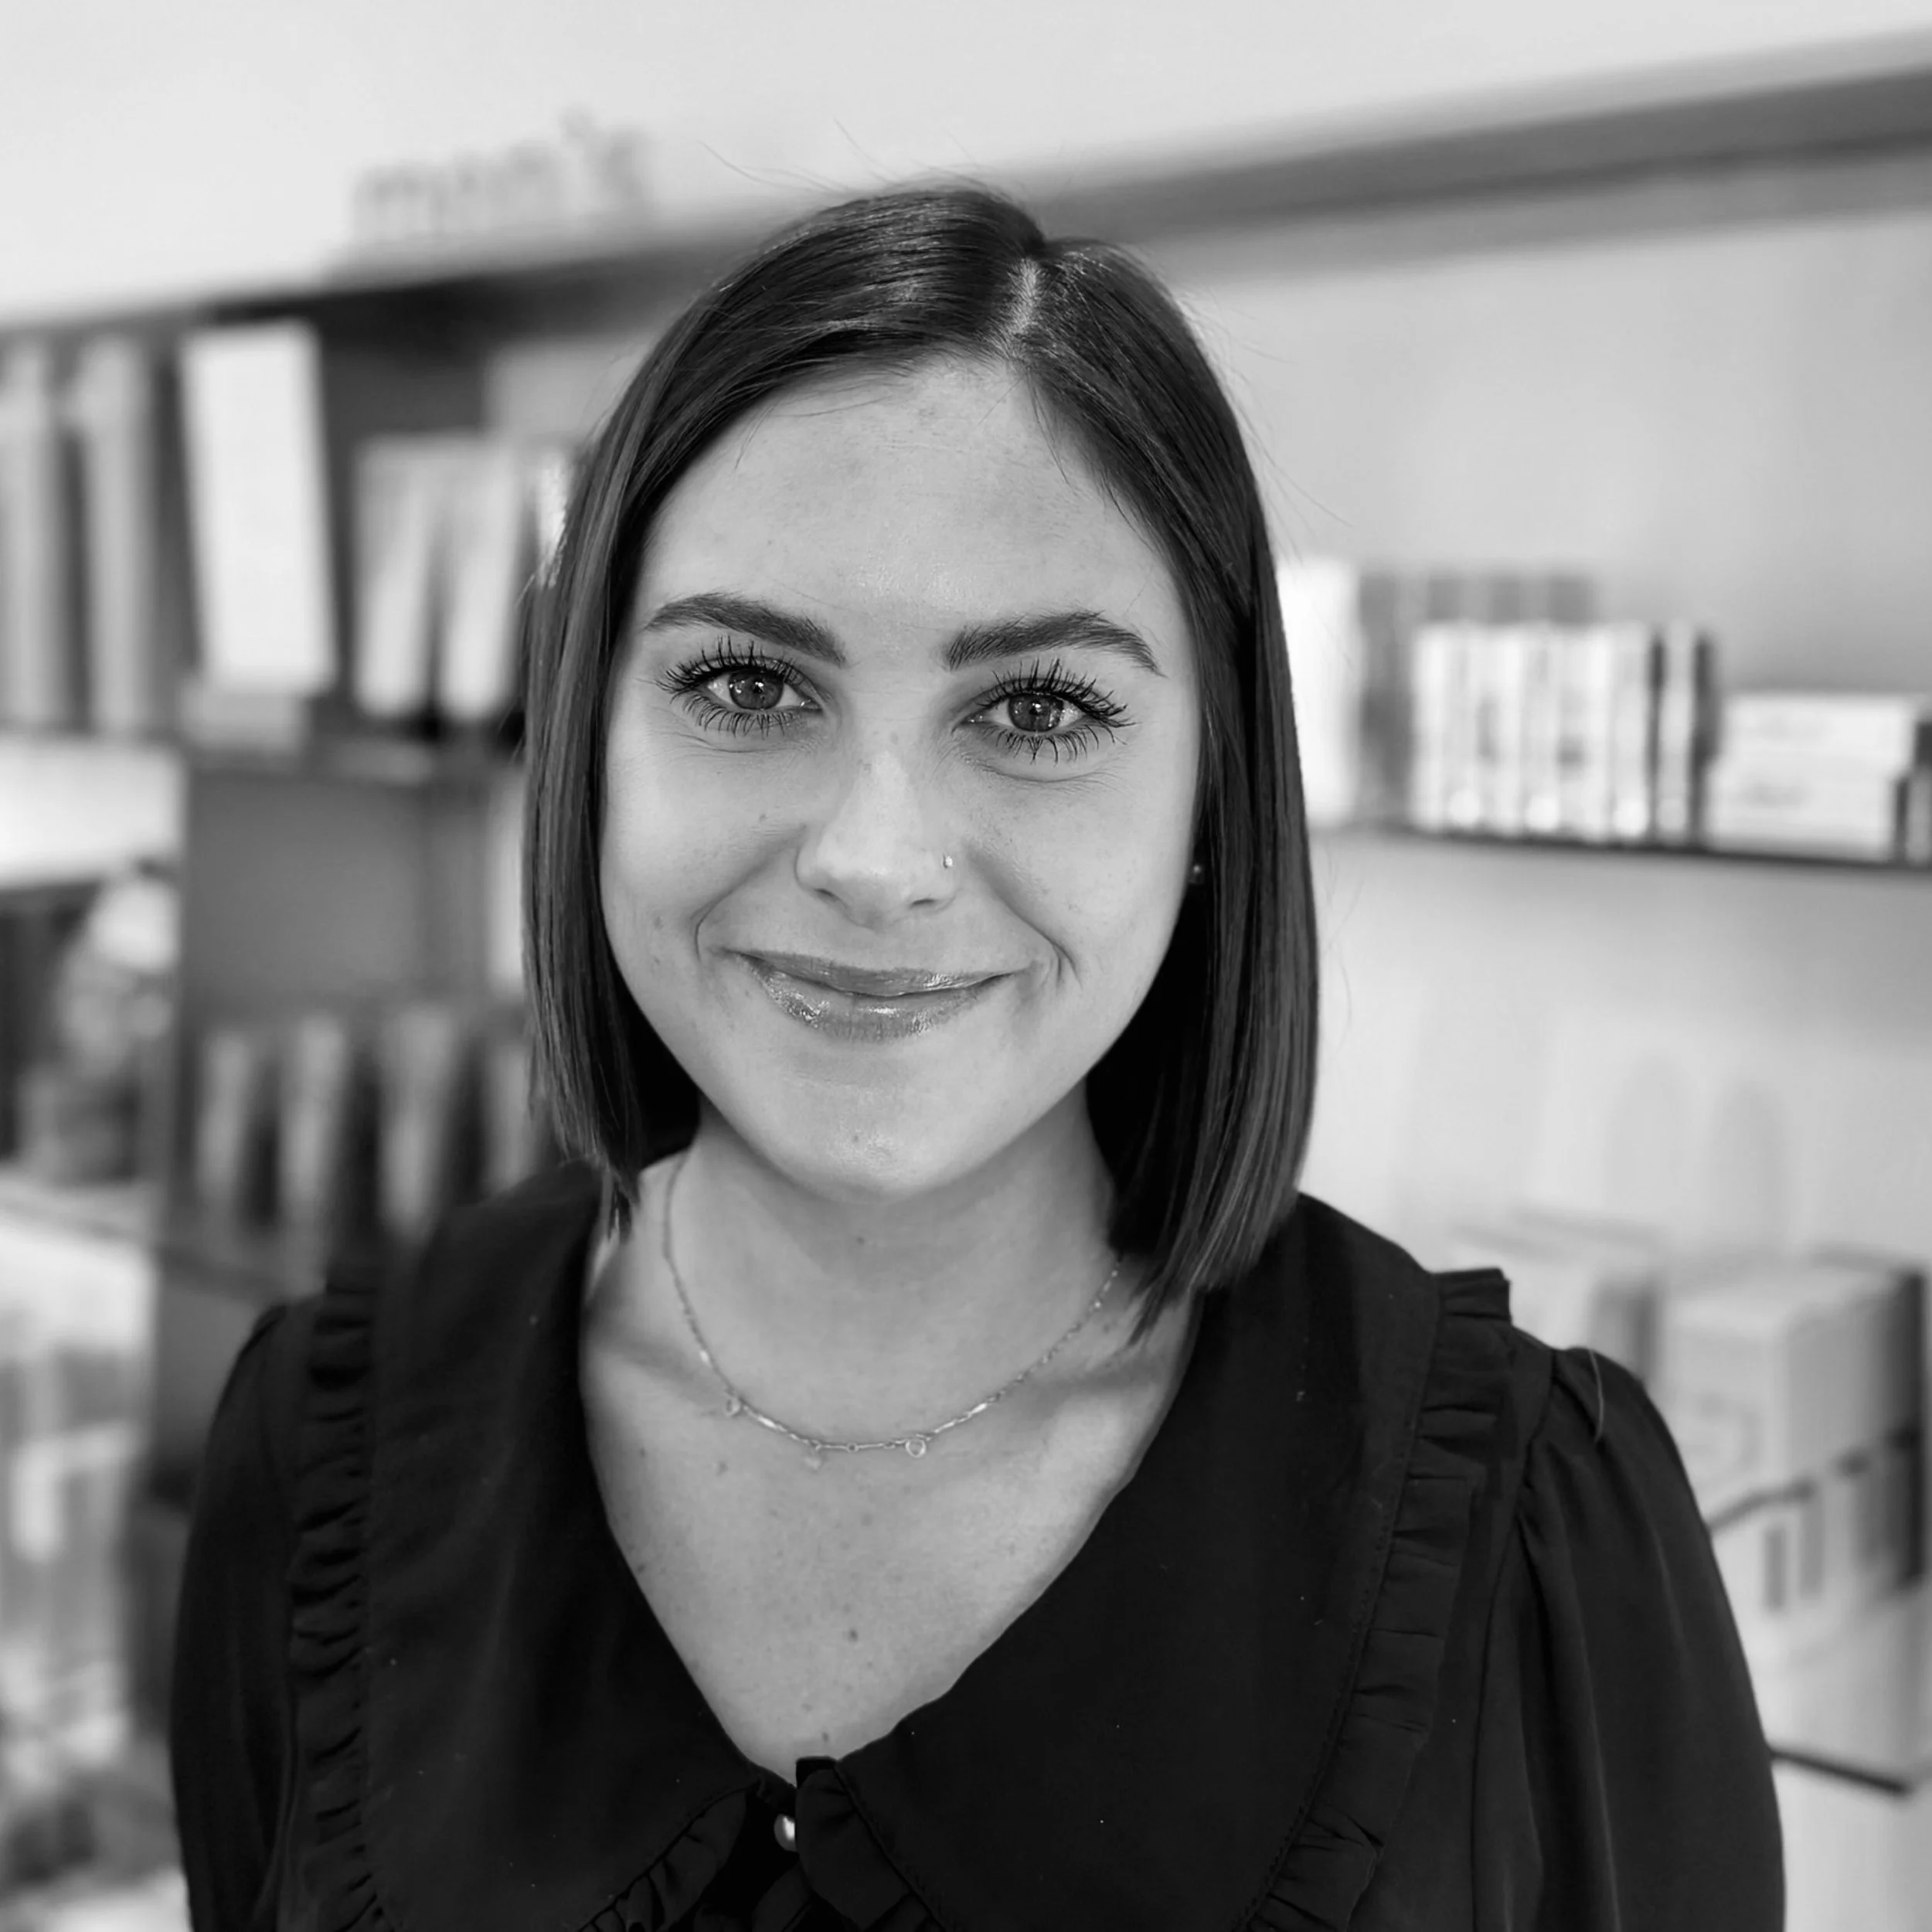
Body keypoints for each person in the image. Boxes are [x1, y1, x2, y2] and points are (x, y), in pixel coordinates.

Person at [170, 185, 1783, 1932]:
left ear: (1209, 804)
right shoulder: (321, 1451)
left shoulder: (1531, 1536)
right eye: (741, 685)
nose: (876, 856)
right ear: (589, 750)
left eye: (1037, 711)